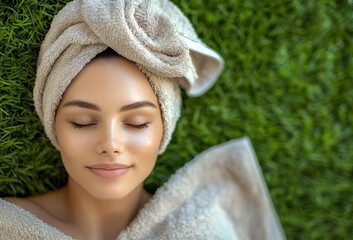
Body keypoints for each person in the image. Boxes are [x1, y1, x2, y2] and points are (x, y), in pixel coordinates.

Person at [0, 0, 284, 239]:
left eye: (137, 122)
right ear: (53, 126)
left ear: (164, 128)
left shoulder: (208, 230)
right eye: (83, 121)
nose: (110, 144)